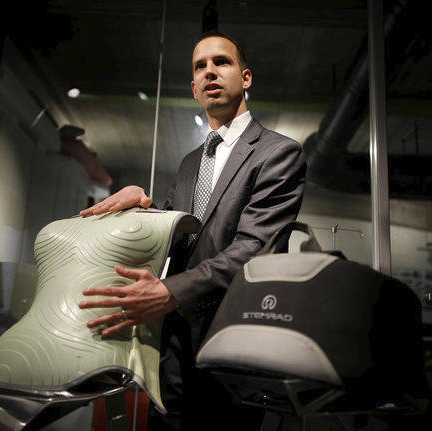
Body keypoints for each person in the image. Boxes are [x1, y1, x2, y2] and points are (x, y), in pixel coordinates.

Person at [78, 31, 306, 430]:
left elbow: (255, 249)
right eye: (200, 67)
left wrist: (170, 291)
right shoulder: (189, 163)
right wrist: (141, 206)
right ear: (193, 87)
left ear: (246, 78)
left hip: (230, 346)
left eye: (222, 62)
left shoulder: (278, 153)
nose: (209, 72)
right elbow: (175, 239)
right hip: (172, 346)